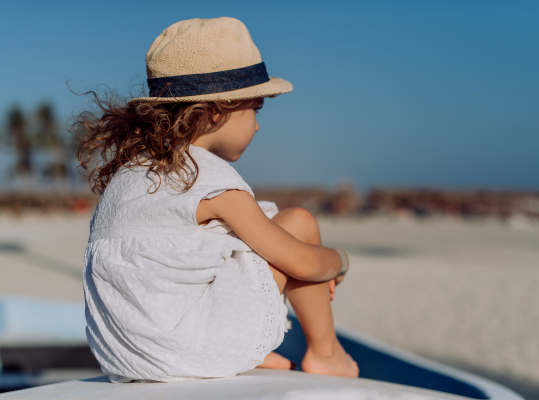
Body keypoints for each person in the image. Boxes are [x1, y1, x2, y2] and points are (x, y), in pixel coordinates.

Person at [75, 17, 359, 383]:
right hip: (187, 348)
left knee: (243, 247)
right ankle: (326, 353)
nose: (257, 124)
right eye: (255, 108)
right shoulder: (207, 177)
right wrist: (340, 263)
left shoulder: (131, 174)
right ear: (215, 111)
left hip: (124, 356)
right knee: (299, 223)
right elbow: (302, 263)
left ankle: (255, 351)